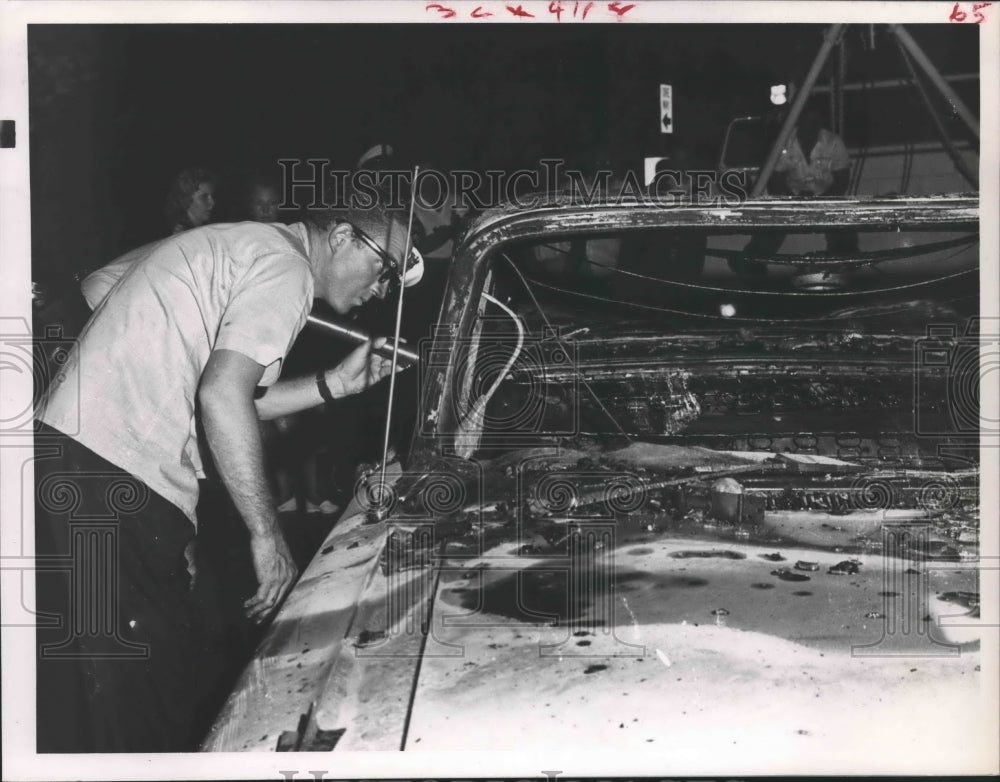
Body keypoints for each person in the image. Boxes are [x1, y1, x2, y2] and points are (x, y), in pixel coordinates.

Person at [34, 204, 423, 752]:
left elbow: (230, 393)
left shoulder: (241, 245)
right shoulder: (286, 268)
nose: (384, 291)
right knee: (144, 692)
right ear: (341, 236)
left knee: (128, 676)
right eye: (386, 268)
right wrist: (267, 535)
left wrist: (336, 382)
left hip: (80, 458)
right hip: (112, 468)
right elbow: (222, 396)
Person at [733, 106, 857, 275]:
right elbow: (775, 178)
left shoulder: (834, 142)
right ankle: (752, 263)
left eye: (814, 122)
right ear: (798, 122)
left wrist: (821, 201)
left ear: (820, 122)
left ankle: (844, 264)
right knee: (772, 222)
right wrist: (794, 199)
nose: (810, 126)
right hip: (791, 199)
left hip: (827, 200)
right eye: (806, 121)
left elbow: (842, 180)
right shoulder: (783, 142)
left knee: (845, 223)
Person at [164, 166, 217, 235]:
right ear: (185, 199)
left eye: (212, 196)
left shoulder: (208, 228)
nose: (212, 203)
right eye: (204, 197)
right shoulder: (179, 234)